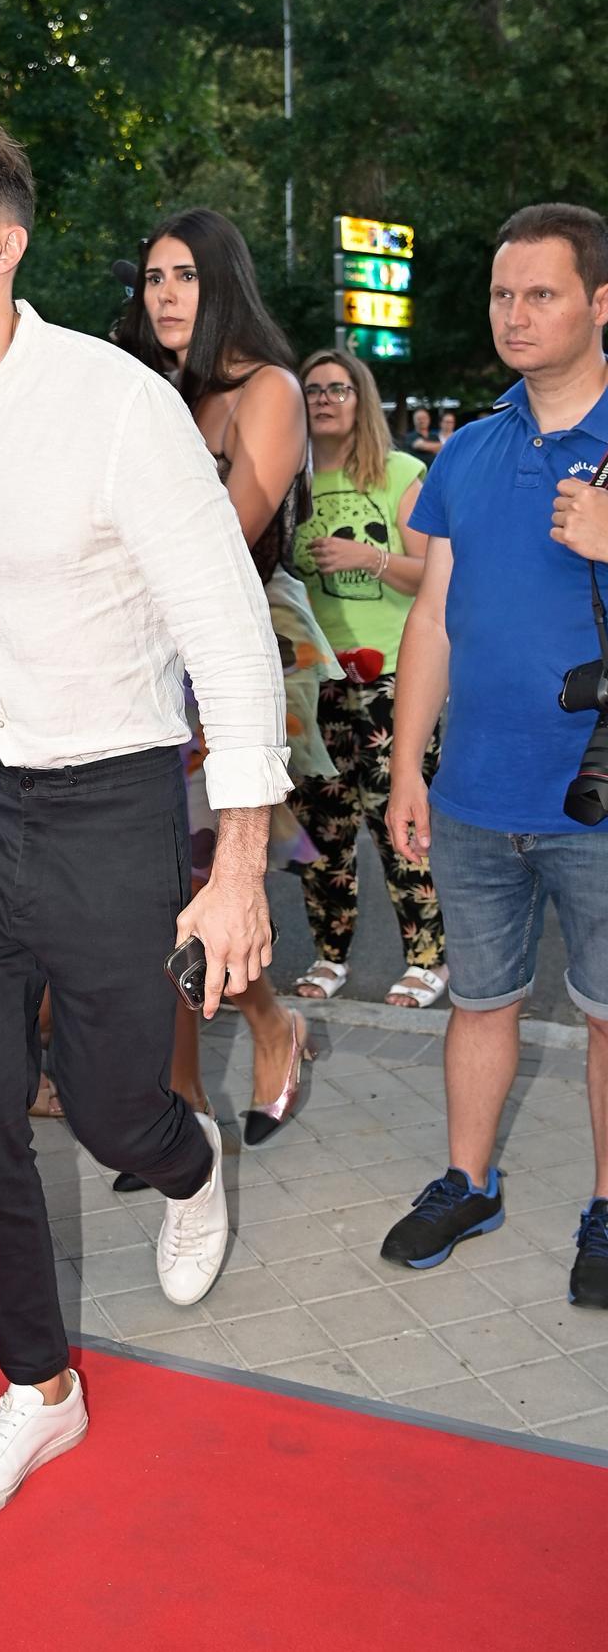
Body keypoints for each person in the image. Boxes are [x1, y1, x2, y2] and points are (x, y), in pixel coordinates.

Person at [0, 107, 287, 1522]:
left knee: (113, 1113)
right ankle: (37, 1388)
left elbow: (226, 630)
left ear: (4, 241)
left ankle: (190, 1156)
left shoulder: (117, 403)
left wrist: (235, 868)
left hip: (111, 796)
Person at [385, 202, 608, 1307]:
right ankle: (467, 1182)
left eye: (542, 294)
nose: (515, 316)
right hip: (475, 794)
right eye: (502, 295)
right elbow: (432, 615)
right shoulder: (468, 448)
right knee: (481, 1000)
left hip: (601, 800)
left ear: (600, 304)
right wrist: (404, 769)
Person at [115, 208, 338, 1151]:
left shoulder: (270, 390)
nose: (164, 295)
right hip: (144, 665)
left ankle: (271, 1029)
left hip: (225, 670)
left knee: (203, 891)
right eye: (153, 278)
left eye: (184, 277)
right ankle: (184, 1107)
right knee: (157, 895)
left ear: (223, 283)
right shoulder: (158, 389)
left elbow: (224, 540)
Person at [290, 348, 447, 1008]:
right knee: (322, 830)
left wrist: (369, 557)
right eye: (314, 389)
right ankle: (330, 956)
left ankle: (427, 957)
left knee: (398, 821)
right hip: (311, 680)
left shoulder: (400, 473)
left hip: (393, 679)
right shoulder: (287, 482)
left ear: (361, 399)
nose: (325, 399)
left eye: (339, 388)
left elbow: (432, 576)